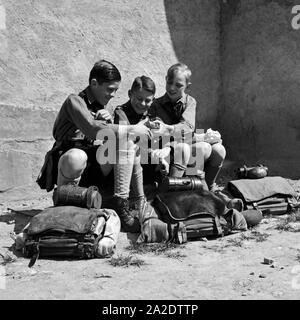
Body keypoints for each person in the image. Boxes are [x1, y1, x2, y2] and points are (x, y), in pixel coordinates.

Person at [37, 59, 152, 232]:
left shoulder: (102, 107)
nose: (113, 94)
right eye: (110, 89)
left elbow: (107, 140)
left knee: (126, 144)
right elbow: (91, 130)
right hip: (69, 161)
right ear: (94, 83)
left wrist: (107, 124)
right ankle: (65, 201)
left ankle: (127, 203)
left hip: (92, 164)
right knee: (77, 156)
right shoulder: (74, 101)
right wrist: (132, 128)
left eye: (115, 90)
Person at [149, 62, 226, 191]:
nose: (172, 88)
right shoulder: (156, 105)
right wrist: (198, 137)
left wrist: (169, 129)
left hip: (185, 142)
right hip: (168, 149)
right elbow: (160, 134)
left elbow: (188, 127)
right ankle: (173, 191)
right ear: (166, 79)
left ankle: (209, 186)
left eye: (178, 85)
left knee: (219, 150)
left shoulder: (190, 102)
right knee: (200, 147)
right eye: (170, 82)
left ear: (187, 86)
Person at [114, 75, 190, 192]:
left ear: (153, 100)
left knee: (183, 148)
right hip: (131, 165)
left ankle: (170, 192)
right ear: (130, 94)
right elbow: (127, 142)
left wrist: (167, 149)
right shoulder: (121, 113)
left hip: (152, 164)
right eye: (139, 99)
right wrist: (152, 154)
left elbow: (168, 137)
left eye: (148, 100)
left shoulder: (153, 114)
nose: (143, 104)